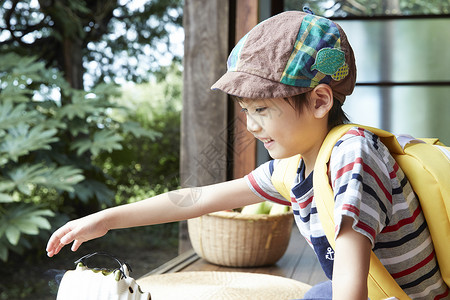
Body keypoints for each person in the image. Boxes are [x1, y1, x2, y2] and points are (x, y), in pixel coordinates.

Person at [46, 10, 449, 300]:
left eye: (262, 109)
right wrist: (107, 220)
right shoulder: (292, 168)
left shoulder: (351, 155)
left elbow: (351, 285)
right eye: (245, 111)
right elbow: (197, 199)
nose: (251, 126)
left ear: (320, 100)